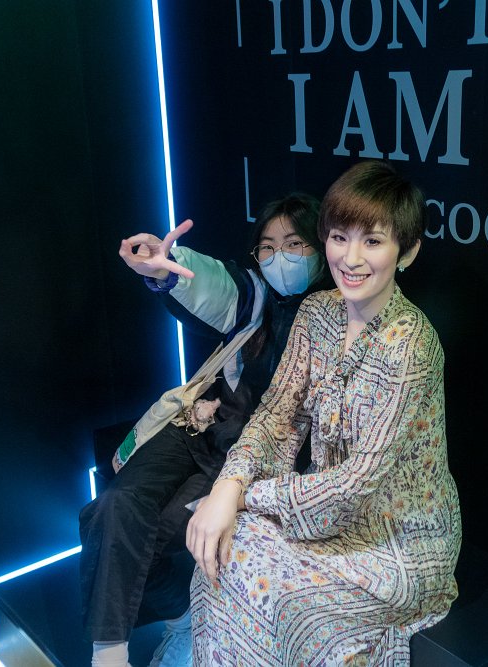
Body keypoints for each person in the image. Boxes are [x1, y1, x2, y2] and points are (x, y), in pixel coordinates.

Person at [186, 161, 462, 665]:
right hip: (318, 511)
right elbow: (276, 415)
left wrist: (244, 495)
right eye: (339, 237)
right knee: (221, 554)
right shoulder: (316, 314)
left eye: (372, 241)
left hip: (397, 540)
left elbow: (358, 483)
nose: (350, 258)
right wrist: (228, 484)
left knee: (286, 605)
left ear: (407, 252)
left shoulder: (413, 347)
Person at [79, 193, 327, 667]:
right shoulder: (257, 296)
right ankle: (109, 655)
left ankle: (183, 616)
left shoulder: (336, 317)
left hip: (250, 460)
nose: (280, 257)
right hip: (202, 424)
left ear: (320, 247)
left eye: (294, 244)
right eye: (268, 246)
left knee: (143, 539)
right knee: (111, 509)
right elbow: (218, 285)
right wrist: (166, 269)